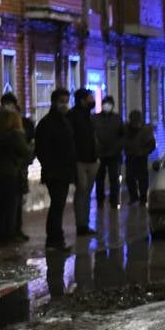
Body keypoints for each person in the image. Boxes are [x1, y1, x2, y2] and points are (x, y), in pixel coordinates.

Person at [35, 89, 77, 251]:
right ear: (54, 102)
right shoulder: (47, 123)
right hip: (55, 172)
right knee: (57, 206)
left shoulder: (64, 121)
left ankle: (57, 239)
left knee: (58, 206)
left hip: (64, 171)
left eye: (66, 100)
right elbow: (42, 149)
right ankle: (54, 240)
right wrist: (50, 167)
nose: (64, 104)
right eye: (62, 101)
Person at [0, 93, 36, 239]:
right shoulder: (15, 133)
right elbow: (26, 150)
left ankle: (13, 231)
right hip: (13, 170)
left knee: (11, 203)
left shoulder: (23, 124)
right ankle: (10, 233)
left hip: (15, 169)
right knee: (12, 203)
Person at [69, 88, 98, 235]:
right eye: (90, 98)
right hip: (79, 159)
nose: (92, 101)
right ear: (82, 100)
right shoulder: (73, 116)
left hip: (92, 159)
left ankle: (85, 223)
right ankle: (80, 224)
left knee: (87, 192)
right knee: (81, 191)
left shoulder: (89, 116)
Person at [94, 95, 125, 206]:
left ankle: (114, 200)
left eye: (109, 104)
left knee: (114, 179)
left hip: (114, 153)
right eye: (105, 103)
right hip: (100, 154)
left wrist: (119, 147)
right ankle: (100, 200)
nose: (107, 106)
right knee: (99, 179)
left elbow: (122, 135)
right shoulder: (95, 118)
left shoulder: (117, 118)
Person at [124, 110, 156, 205]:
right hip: (130, 156)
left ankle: (143, 198)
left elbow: (151, 144)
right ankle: (133, 197)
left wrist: (144, 152)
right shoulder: (126, 129)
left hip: (141, 157)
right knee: (130, 178)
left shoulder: (146, 129)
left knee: (142, 179)